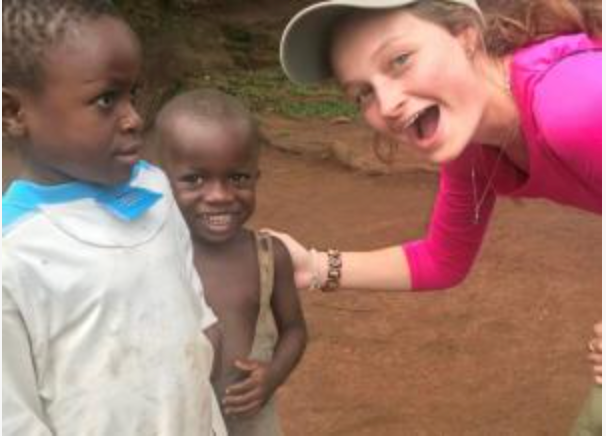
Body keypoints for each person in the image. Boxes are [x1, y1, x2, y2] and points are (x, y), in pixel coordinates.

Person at [277, 0, 601, 433]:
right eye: (364, 93)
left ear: (466, 35)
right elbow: (441, 260)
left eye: (400, 60)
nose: (387, 104)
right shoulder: (473, 147)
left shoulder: (573, 104)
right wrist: (312, 267)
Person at [2, 1, 227, 435]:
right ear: (14, 113)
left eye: (133, 95)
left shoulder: (156, 188)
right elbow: (11, 416)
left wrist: (202, 326)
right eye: (107, 100)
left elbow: (185, 283)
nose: (134, 119)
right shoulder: (14, 254)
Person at [150, 88, 308, 436]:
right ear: (160, 181)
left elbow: (295, 329)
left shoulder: (269, 256)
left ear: (256, 177)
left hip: (251, 421)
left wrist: (272, 376)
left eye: (238, 178)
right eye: (194, 179)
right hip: (175, 421)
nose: (220, 196)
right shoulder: (150, 256)